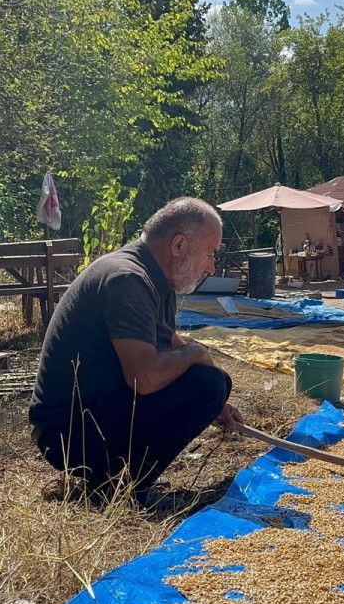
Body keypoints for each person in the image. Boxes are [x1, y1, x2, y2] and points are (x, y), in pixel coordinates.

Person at [29, 197, 242, 507]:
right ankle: (120, 490)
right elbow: (145, 378)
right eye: (210, 254)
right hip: (67, 433)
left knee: (214, 383)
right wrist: (198, 355)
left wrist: (216, 404)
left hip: (94, 412)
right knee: (207, 385)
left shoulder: (155, 277)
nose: (211, 267)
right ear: (179, 245)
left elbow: (169, 342)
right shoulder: (128, 279)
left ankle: (122, 476)